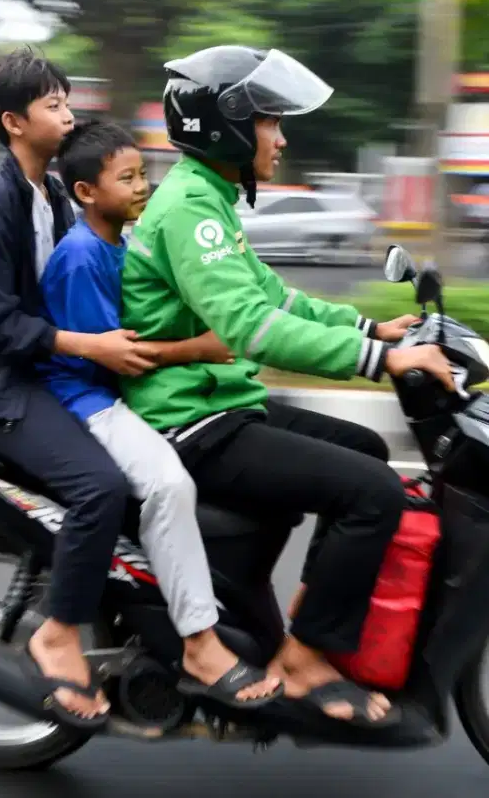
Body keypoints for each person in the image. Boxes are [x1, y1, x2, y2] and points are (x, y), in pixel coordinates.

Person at [120, 45, 455, 729]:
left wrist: (373, 327)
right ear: (229, 125)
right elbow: (252, 327)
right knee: (373, 492)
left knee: (365, 452)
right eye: (270, 121)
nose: (282, 136)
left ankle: (306, 627)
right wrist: (374, 360)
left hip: (219, 402)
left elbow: (278, 298)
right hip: (190, 421)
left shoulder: (208, 198)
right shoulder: (191, 209)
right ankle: (302, 665)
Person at [0, 48, 161, 731]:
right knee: (100, 487)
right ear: (14, 122)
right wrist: (93, 347)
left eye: (67, 100)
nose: (69, 113)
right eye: (53, 105)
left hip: (34, 370)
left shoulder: (54, 195)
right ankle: (58, 633)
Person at [35, 118, 281, 709]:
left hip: (115, 394)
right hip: (88, 400)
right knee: (169, 484)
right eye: (126, 178)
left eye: (143, 173)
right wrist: (199, 349)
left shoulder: (120, 242)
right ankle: (200, 639)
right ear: (86, 193)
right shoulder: (82, 256)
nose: (143, 187)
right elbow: (117, 355)